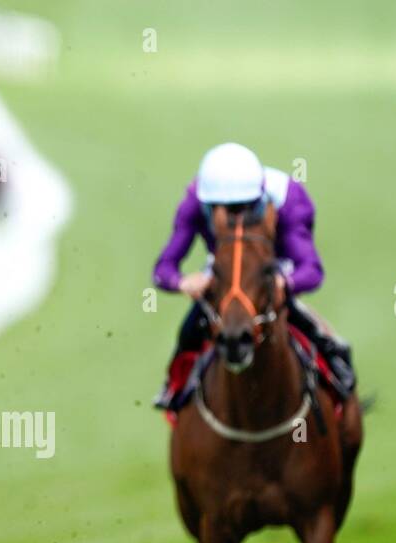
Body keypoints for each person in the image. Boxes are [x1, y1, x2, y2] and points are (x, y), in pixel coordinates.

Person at [152, 141, 354, 412]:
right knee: (189, 332)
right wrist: (184, 282)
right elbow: (163, 268)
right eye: (225, 209)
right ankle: (175, 389)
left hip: (270, 270)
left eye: (245, 207)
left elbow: (311, 270)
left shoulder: (289, 199)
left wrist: (285, 282)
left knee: (315, 333)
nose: (236, 218)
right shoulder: (194, 201)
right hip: (222, 272)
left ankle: (338, 374)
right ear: (210, 206)